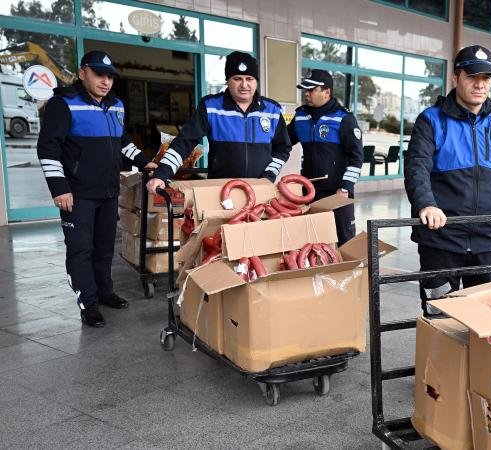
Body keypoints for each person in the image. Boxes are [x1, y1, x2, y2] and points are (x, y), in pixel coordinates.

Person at [404, 45, 491, 316]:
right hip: (441, 238)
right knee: (440, 315)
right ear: (456, 78)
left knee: (487, 316)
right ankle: (443, 359)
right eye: (472, 76)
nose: (480, 85)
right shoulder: (431, 120)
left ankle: (479, 361)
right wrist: (426, 204)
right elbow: (416, 167)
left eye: (486, 78)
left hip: (488, 240)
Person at [37, 50, 155, 327]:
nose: (105, 81)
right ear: (82, 73)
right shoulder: (63, 103)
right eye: (99, 74)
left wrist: (145, 162)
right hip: (77, 194)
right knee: (80, 250)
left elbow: (122, 142)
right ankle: (88, 303)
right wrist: (59, 187)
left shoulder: (116, 105)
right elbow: (48, 147)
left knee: (104, 249)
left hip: (108, 191)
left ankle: (104, 292)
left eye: (110, 76)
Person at [146, 51, 291, 193]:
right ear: (227, 80)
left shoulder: (272, 110)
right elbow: (185, 142)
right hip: (220, 191)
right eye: (237, 78)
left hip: (260, 189)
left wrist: (269, 176)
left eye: (249, 79)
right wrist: (162, 173)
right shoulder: (211, 107)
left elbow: (282, 149)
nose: (244, 85)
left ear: (256, 81)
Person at [288, 69, 363, 244]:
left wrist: (345, 188)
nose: (306, 94)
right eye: (305, 90)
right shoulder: (300, 116)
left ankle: (348, 272)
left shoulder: (344, 118)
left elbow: (356, 158)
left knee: (345, 240)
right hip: (309, 192)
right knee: (312, 241)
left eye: (311, 90)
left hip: (338, 192)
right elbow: (283, 143)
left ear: (326, 92)